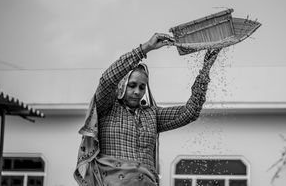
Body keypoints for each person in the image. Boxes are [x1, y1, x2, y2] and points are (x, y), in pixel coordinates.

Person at [74, 33, 221, 186]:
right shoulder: (107, 107)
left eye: (142, 87)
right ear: (121, 84)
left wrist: (205, 70)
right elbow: (107, 80)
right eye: (132, 85)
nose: (137, 91)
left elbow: (190, 112)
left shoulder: (151, 114)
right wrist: (146, 48)